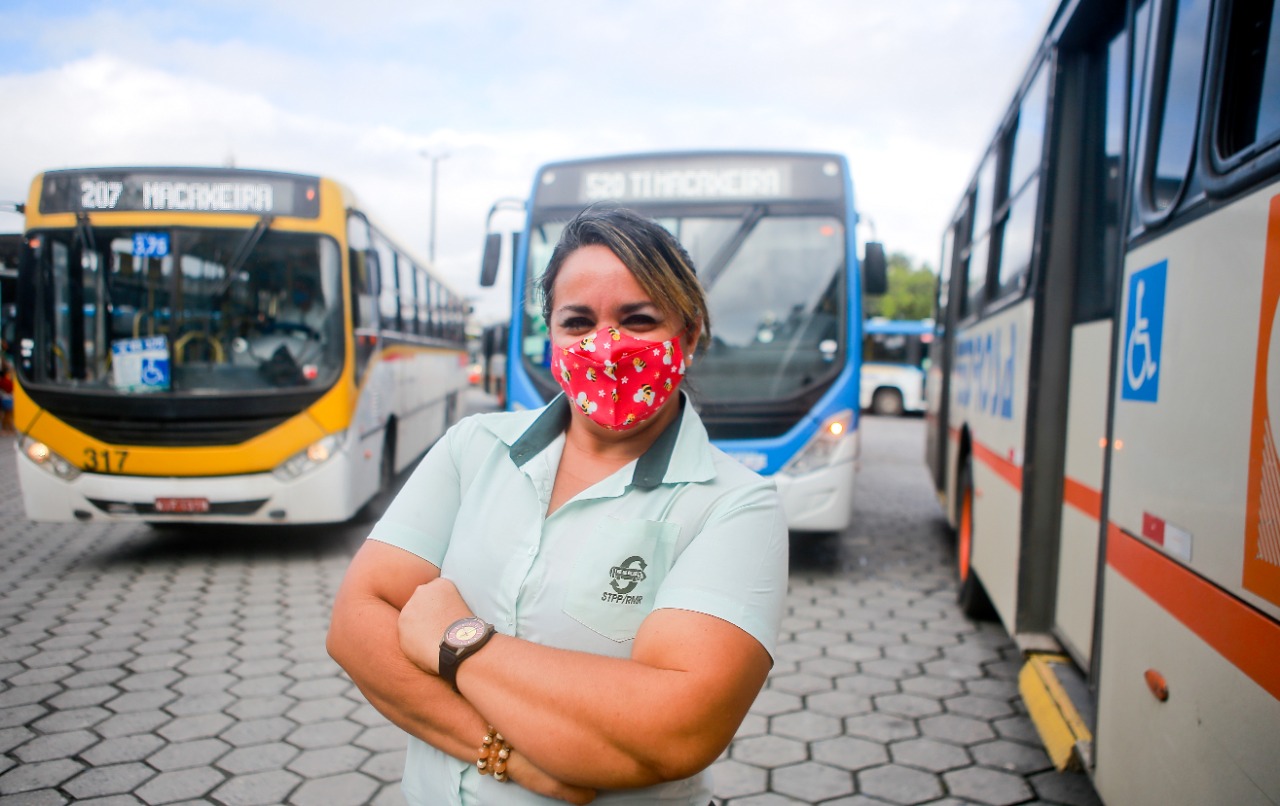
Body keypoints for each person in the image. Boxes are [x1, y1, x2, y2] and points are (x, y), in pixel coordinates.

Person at [327, 206, 789, 805]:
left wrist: (453, 637)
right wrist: (506, 756)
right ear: (551, 334)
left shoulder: (735, 506)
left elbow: (675, 730)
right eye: (577, 322)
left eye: (638, 319)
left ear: (690, 333)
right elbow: (355, 625)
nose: (606, 346)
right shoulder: (476, 447)